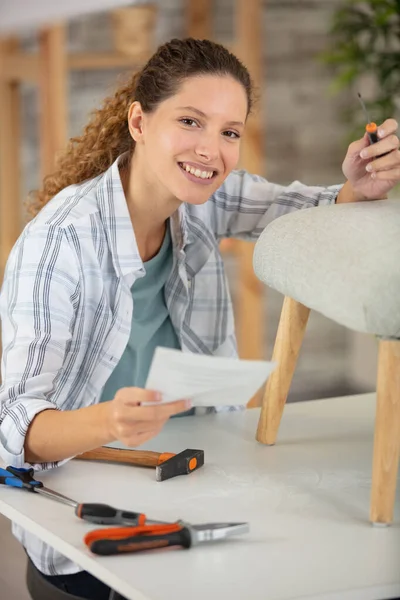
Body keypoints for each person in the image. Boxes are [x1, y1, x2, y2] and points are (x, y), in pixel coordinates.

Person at [0, 37, 399, 600]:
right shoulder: (59, 243)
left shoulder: (208, 197)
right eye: (191, 121)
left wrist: (359, 187)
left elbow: (309, 209)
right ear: (138, 121)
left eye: (229, 132)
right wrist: (109, 420)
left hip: (191, 477)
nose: (211, 149)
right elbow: (13, 426)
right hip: (83, 513)